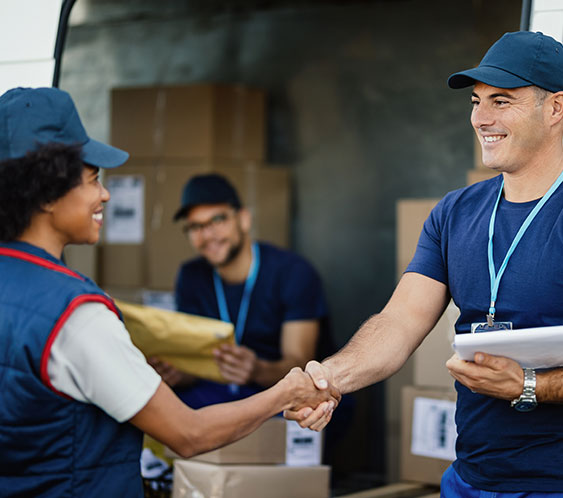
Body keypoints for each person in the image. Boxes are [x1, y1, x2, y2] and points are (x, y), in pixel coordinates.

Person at [0, 86, 337, 498]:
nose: (105, 194)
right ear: (48, 192)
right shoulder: (75, 315)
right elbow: (188, 434)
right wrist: (286, 391)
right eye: (92, 180)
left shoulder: (291, 271)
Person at [286, 31, 563, 495]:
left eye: (501, 101)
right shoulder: (454, 213)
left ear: (555, 108)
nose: (480, 118)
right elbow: (399, 322)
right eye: (476, 102)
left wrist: (531, 385)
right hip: (472, 479)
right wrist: (328, 377)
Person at [150, 173, 332, 408]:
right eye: (195, 226)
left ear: (244, 219)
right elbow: (194, 361)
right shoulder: (191, 275)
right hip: (218, 390)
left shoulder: (293, 272)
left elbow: (301, 364)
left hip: (281, 390)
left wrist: (257, 370)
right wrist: (178, 373)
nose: (207, 235)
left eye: (217, 220)